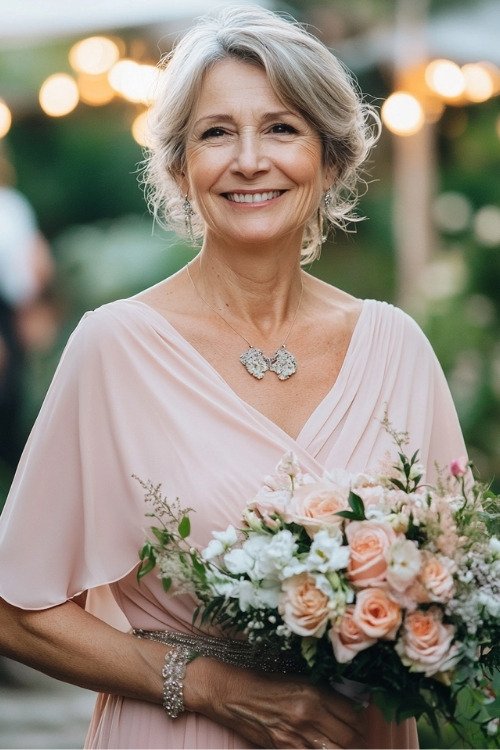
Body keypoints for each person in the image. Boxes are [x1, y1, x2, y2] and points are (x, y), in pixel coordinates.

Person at [0, 6, 467, 749]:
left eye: (281, 128)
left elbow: (454, 589)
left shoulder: (398, 349)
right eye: (218, 132)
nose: (250, 160)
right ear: (182, 166)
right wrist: (211, 688)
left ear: (332, 155)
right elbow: (15, 612)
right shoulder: (116, 349)